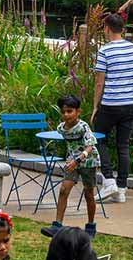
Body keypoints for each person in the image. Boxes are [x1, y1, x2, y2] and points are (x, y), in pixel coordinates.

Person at [90, 13, 133, 199]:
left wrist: (95, 106)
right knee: (122, 145)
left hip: (111, 103)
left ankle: (108, 181)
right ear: (123, 29)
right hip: (130, 103)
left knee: (98, 138)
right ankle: (121, 189)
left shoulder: (105, 51)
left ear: (107, 28)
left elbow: (99, 82)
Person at [41, 94, 102, 239]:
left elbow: (89, 148)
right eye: (63, 112)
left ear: (78, 112)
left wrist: (77, 160)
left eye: (70, 111)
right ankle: (57, 225)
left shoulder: (83, 127)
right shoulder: (61, 128)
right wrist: (72, 160)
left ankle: (91, 225)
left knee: (88, 194)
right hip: (72, 163)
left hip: (88, 162)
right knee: (64, 189)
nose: (66, 115)